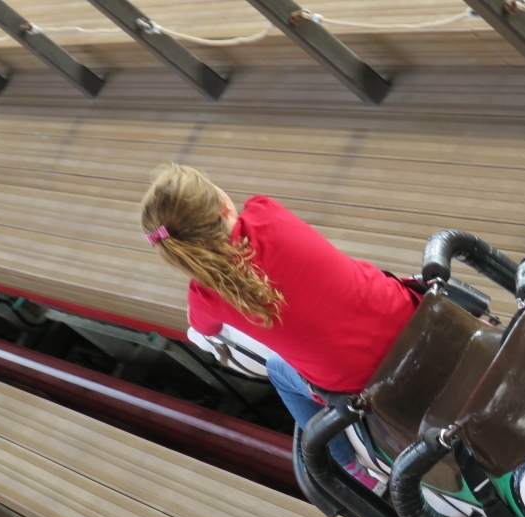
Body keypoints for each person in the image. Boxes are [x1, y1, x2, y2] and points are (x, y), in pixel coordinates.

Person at [140, 163, 420, 488]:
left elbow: (204, 332)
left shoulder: (205, 296)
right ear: (223, 204)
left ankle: (352, 468)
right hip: (408, 315)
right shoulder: (265, 211)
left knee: (278, 370)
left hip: (361, 381)